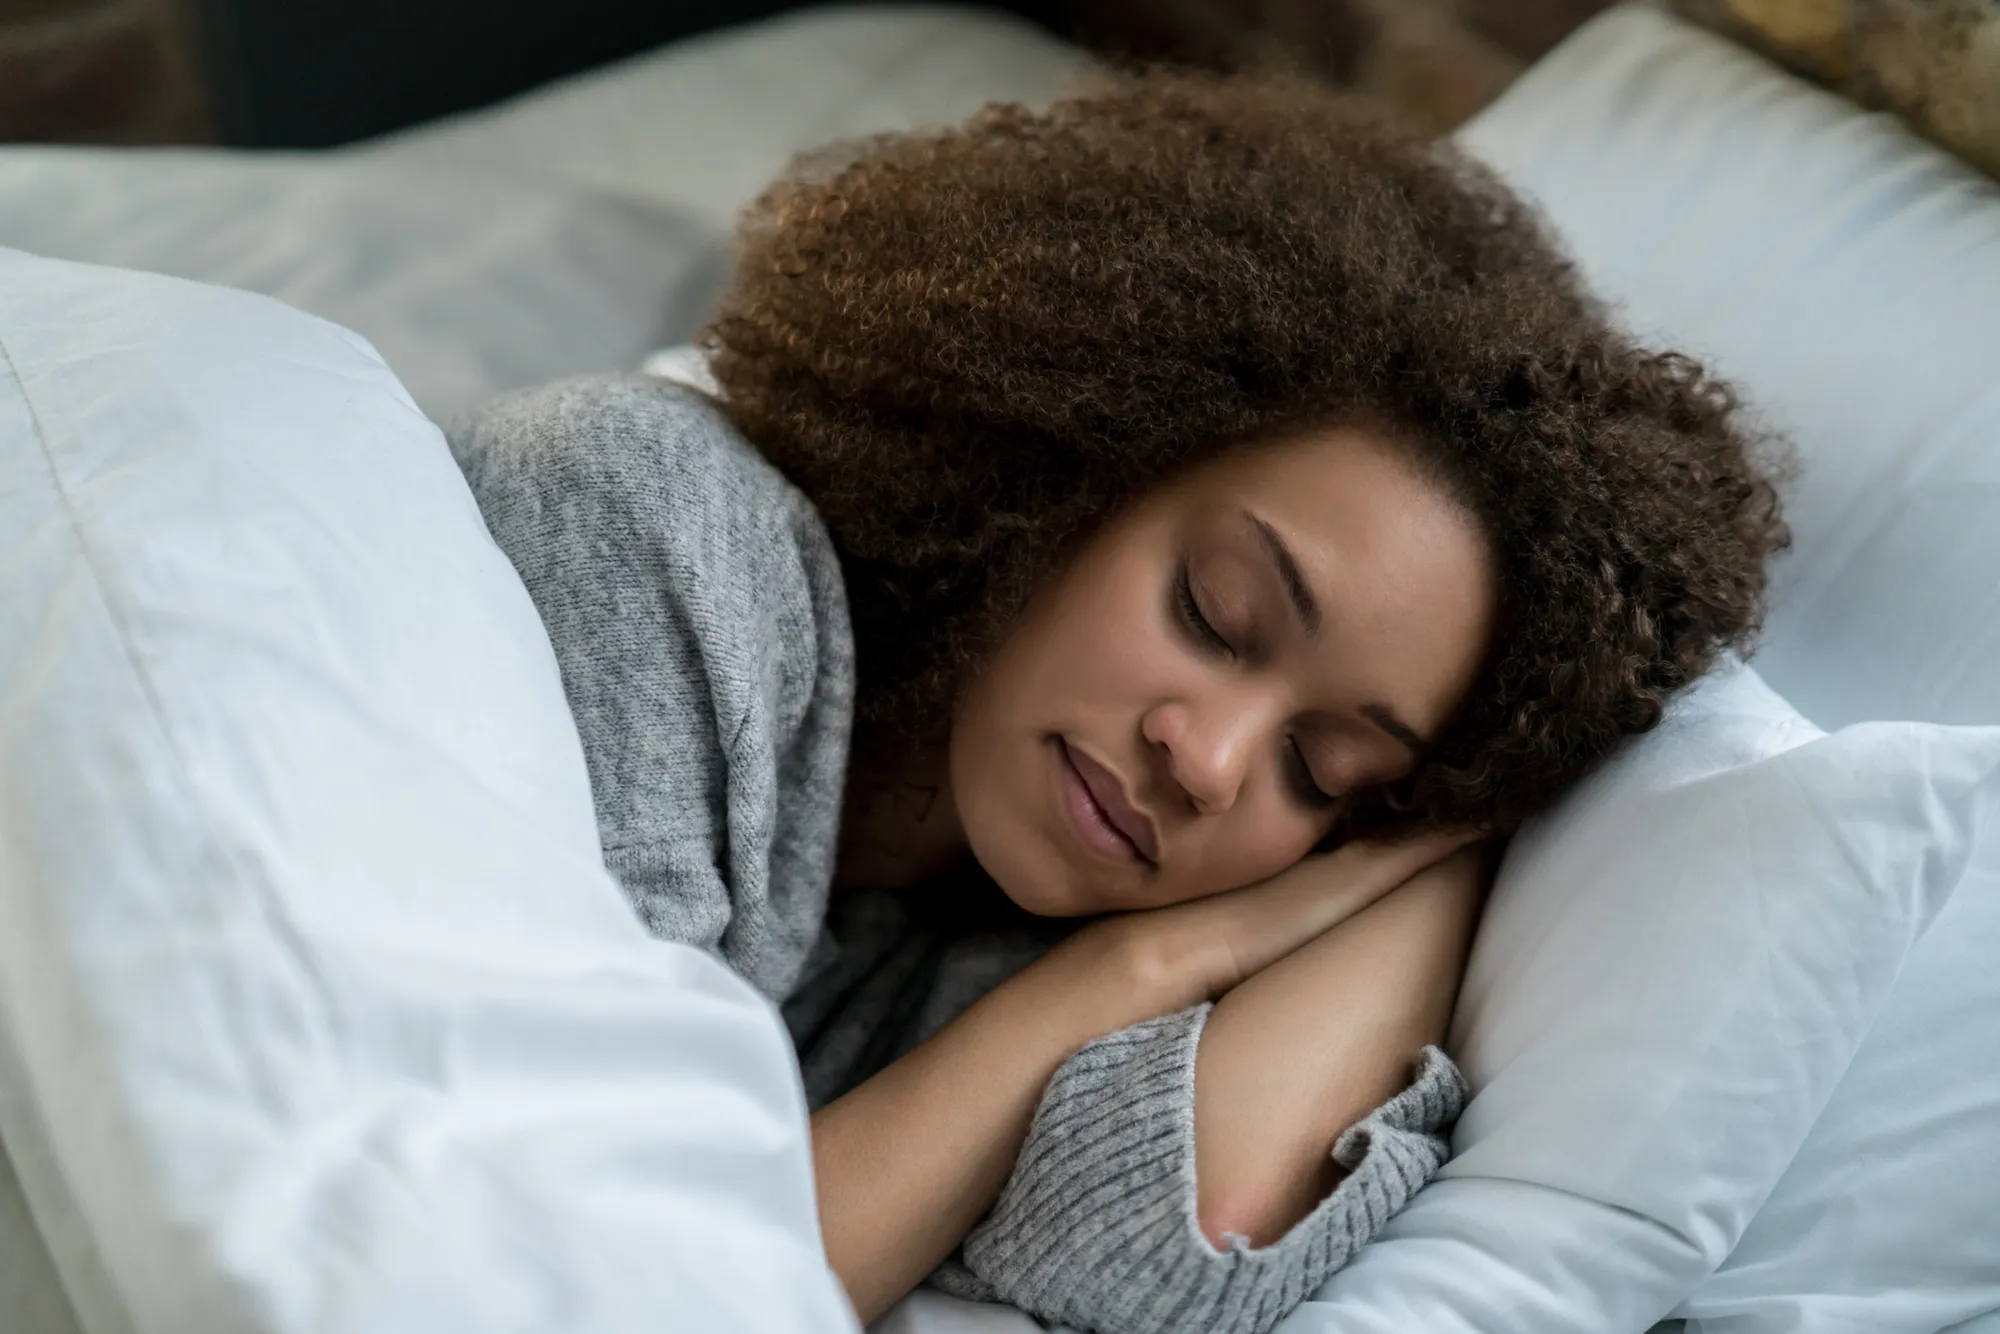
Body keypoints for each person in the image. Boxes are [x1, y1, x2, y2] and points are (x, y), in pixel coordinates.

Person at [448, 70, 1787, 1334]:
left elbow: (1169, 1245)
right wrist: (1123, 977)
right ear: (1068, 457)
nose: (1209, 763)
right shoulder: (648, 525)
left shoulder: (1018, 932)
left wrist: (1456, 838)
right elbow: (602, 1282)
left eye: (1323, 770)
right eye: (1213, 611)